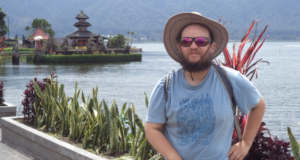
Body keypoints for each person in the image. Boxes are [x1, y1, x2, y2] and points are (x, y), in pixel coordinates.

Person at [145, 12, 266, 160]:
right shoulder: (165, 86)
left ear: (212, 47)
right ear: (179, 47)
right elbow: (152, 128)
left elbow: (258, 105)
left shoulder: (230, 79)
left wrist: (246, 143)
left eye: (201, 41)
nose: (193, 46)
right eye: (186, 41)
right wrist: (173, 158)